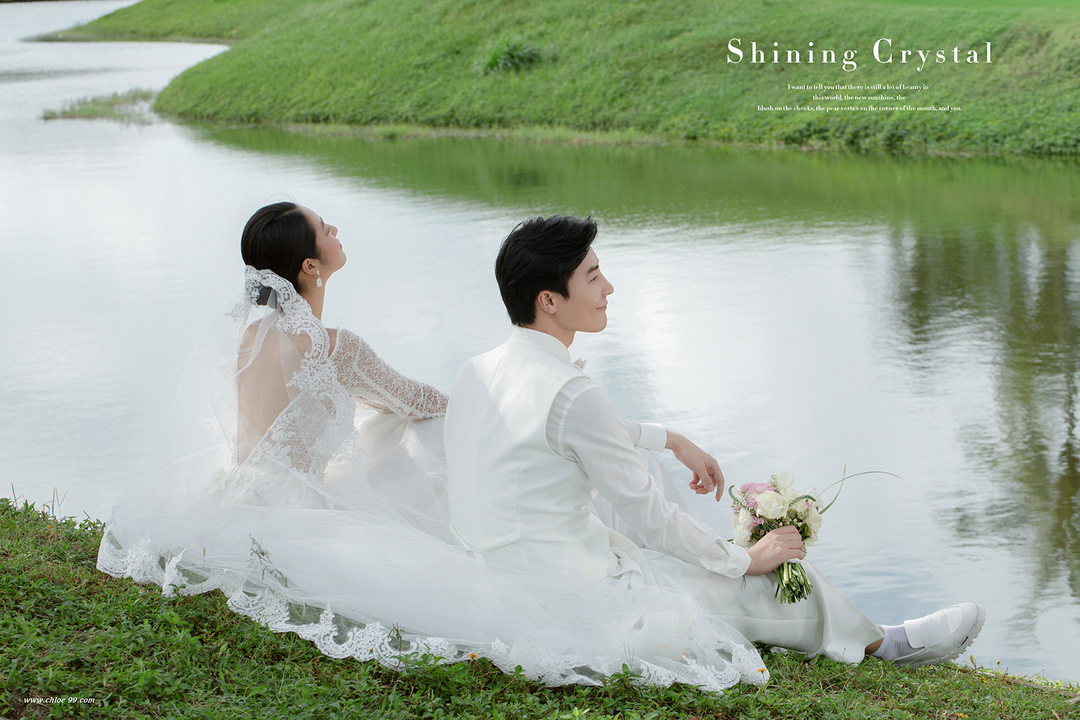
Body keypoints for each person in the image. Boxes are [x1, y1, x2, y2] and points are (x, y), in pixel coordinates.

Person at [97, 202, 766, 692]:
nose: (336, 229)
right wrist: (501, 407)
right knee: (429, 429)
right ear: (310, 267)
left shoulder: (253, 335)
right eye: (326, 229)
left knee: (396, 431)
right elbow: (419, 400)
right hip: (300, 508)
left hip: (242, 491)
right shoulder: (335, 347)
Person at [444, 214, 985, 669]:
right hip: (575, 600)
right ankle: (884, 643)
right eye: (593, 276)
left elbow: (571, 432)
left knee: (645, 466)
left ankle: (713, 568)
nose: (608, 288)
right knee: (755, 582)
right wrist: (743, 559)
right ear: (549, 300)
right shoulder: (572, 392)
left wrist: (670, 438)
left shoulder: (478, 370)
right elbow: (648, 514)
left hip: (503, 585)